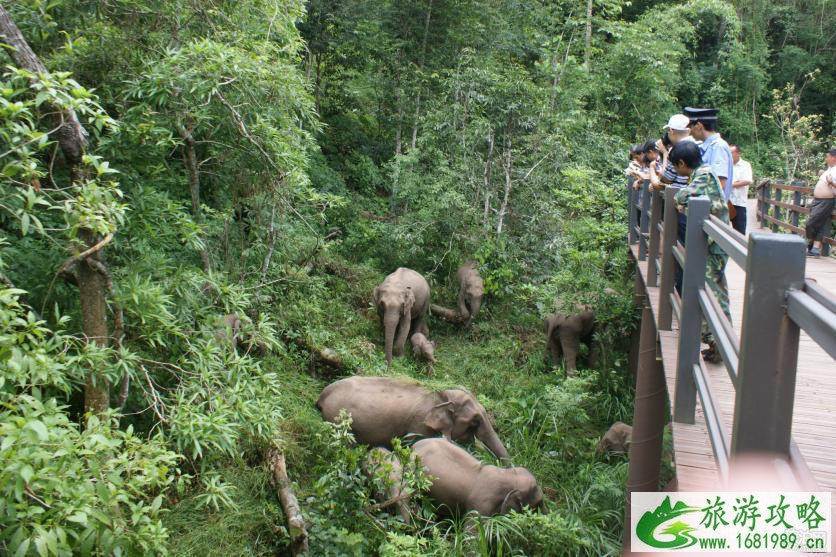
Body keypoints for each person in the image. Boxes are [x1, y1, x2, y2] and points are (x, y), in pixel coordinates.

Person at [669, 140, 730, 364]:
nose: (677, 172)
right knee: (713, 293)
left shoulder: (703, 175)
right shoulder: (704, 173)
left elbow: (681, 196)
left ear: (683, 163)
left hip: (715, 246)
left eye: (676, 167)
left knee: (713, 294)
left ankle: (719, 343)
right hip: (713, 244)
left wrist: (679, 202)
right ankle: (717, 344)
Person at [683, 107, 733, 200]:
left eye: (690, 127)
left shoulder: (718, 147)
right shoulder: (707, 146)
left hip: (710, 211)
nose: (690, 132)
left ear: (699, 125)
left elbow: (719, 184)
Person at [805, 148, 836, 257]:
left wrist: (831, 182)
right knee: (818, 224)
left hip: (826, 201)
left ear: (834, 157)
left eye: (827, 156)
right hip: (818, 200)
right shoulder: (830, 169)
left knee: (811, 224)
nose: (826, 158)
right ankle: (814, 249)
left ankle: (812, 246)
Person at [729, 145, 753, 234]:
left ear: (738, 153)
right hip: (727, 202)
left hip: (739, 202)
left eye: (731, 153)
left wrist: (730, 184)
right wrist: (737, 183)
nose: (728, 155)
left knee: (739, 232)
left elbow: (747, 180)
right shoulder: (726, 165)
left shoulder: (745, 165)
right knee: (722, 229)